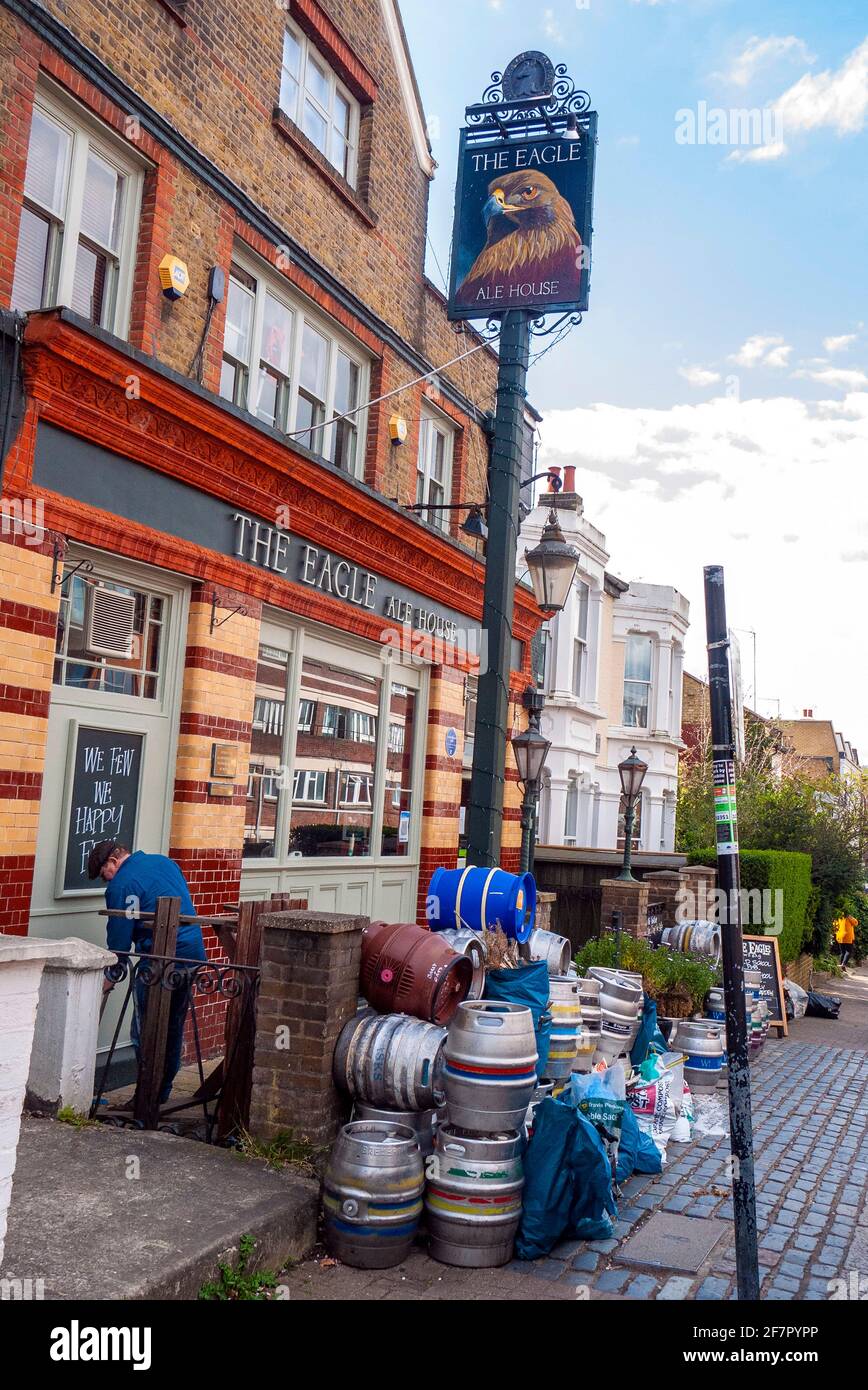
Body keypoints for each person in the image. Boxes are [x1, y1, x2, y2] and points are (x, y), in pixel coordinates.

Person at [88, 841, 207, 1104]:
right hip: (192, 956)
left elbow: (120, 935)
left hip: (159, 960)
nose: (105, 882)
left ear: (112, 861)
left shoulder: (122, 883)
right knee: (172, 1027)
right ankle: (161, 1092)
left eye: (103, 875)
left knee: (145, 1029)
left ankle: (145, 1098)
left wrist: (111, 974)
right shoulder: (164, 862)